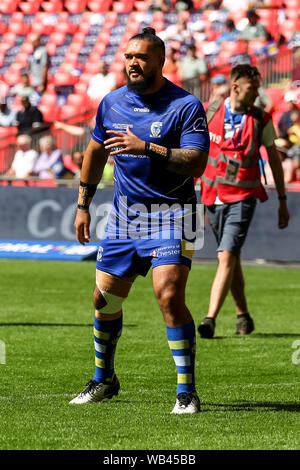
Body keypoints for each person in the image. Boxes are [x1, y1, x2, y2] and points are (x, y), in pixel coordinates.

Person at [69, 27, 210, 414]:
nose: (133, 62)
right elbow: (95, 151)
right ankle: (104, 380)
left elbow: (196, 163)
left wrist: (147, 147)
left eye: (142, 56)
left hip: (174, 213)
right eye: (129, 56)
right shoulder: (111, 103)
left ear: (160, 61)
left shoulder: (185, 106)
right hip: (124, 218)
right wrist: (84, 203)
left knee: (168, 296)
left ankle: (186, 392)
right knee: (103, 299)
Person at [198, 64, 289, 339]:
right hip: (212, 196)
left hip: (244, 197)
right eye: (252, 88)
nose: (257, 93)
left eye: (259, 88)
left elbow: (273, 158)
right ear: (236, 86)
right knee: (231, 258)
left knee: (225, 256)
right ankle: (243, 316)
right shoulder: (209, 111)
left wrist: (282, 199)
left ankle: (210, 318)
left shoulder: (262, 118)